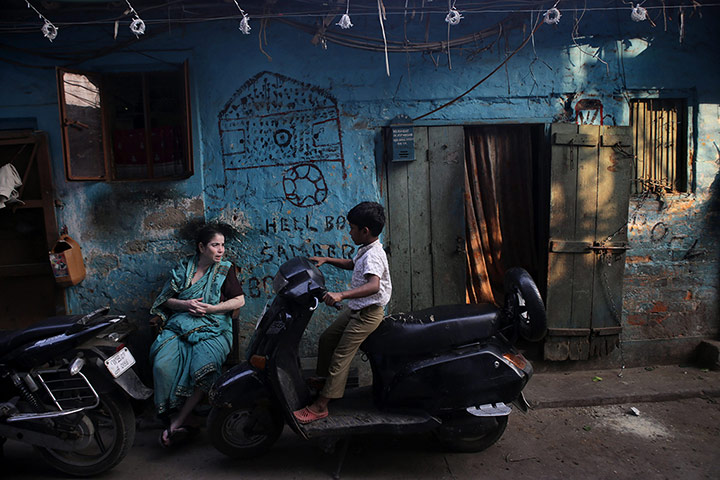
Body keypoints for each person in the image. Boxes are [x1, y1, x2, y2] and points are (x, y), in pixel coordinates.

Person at [293, 201, 392, 424]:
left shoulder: (373, 255)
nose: (349, 231)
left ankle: (320, 406)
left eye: (352, 228)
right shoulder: (365, 249)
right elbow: (351, 264)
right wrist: (327, 260)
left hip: (369, 313)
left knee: (341, 356)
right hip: (357, 308)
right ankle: (325, 382)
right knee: (327, 339)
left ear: (364, 231)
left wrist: (341, 295)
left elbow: (374, 285)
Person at [149, 224, 245, 448]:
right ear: (202, 247)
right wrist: (185, 304)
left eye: (222, 245)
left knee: (203, 367)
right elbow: (166, 300)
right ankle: (178, 419)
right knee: (162, 365)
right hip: (180, 325)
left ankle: (179, 421)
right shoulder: (183, 269)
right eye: (215, 245)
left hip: (215, 327)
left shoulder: (225, 269)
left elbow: (240, 300)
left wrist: (211, 309)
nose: (221, 250)